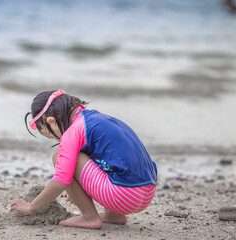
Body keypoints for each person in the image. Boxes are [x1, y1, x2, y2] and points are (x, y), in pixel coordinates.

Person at [10, 90, 158, 229]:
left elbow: (62, 179)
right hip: (147, 190)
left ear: (51, 121)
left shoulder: (74, 130)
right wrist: (78, 186)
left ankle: (89, 217)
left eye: (51, 136)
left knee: (59, 156)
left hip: (124, 196)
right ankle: (114, 215)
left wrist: (31, 207)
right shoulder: (96, 118)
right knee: (104, 156)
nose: (55, 139)